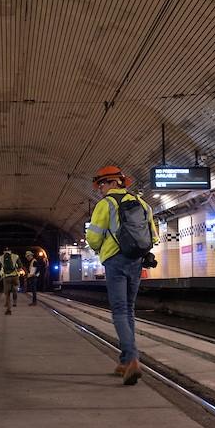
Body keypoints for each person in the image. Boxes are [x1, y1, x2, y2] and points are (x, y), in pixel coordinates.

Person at [86, 165, 159, 385]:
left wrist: (101, 249)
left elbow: (93, 237)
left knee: (119, 311)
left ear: (110, 183)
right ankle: (125, 360)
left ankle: (133, 360)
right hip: (136, 261)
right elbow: (153, 236)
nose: (99, 189)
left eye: (101, 184)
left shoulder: (105, 204)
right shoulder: (143, 204)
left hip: (115, 261)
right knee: (129, 309)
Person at [0, 246, 24, 315]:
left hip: (6, 277)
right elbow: (20, 266)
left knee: (7, 293)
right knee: (15, 287)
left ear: (3, 252)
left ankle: (8, 309)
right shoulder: (16, 256)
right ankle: (15, 297)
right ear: (11, 251)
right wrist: (19, 269)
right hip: (15, 276)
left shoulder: (1, 257)